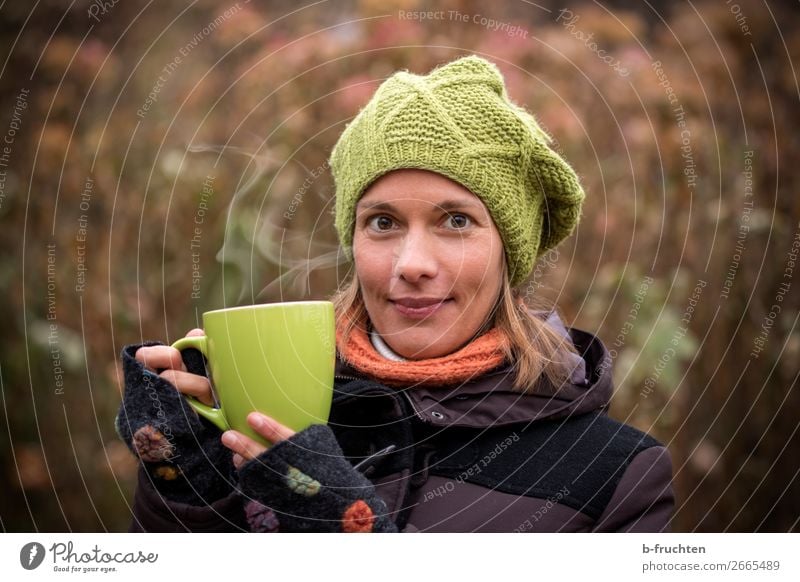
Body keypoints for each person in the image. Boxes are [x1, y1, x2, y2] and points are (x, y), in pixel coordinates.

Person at [115, 55, 674, 532]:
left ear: (510, 251)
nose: (412, 265)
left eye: (456, 221)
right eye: (382, 223)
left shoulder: (617, 476)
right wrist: (187, 490)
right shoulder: (265, 424)